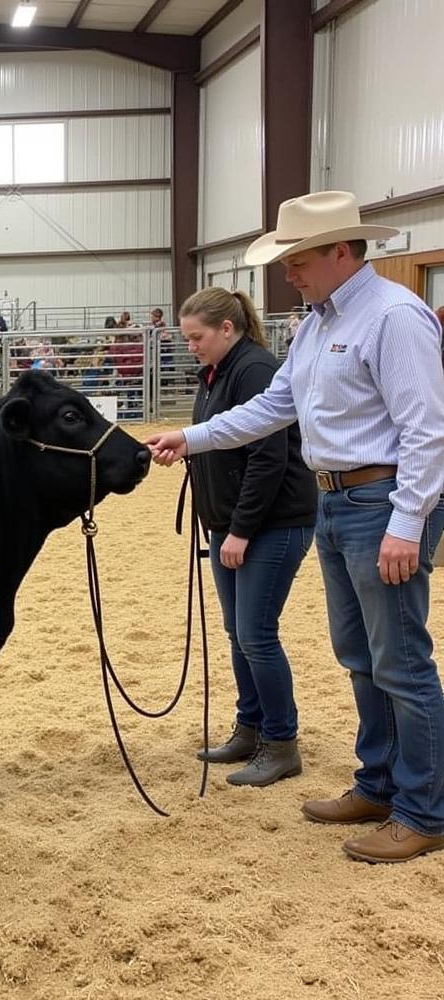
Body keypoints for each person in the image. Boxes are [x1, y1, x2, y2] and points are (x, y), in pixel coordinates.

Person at [147, 190, 444, 863]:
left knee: (401, 661)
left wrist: (407, 521)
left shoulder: (395, 316)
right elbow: (272, 409)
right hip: (337, 502)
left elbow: (427, 430)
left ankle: (425, 810)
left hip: (382, 500)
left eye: (299, 258)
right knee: (361, 657)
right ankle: (378, 784)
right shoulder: (314, 325)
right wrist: (190, 438)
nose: (289, 273)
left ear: (342, 250)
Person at [179, 287, 317, 786]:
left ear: (227, 329)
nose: (191, 345)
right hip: (230, 523)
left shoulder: (254, 369)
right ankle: (251, 726)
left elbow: (268, 457)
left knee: (257, 634)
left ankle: (281, 742)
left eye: (197, 337)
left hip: (272, 523)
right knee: (240, 633)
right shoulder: (218, 373)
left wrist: (240, 530)